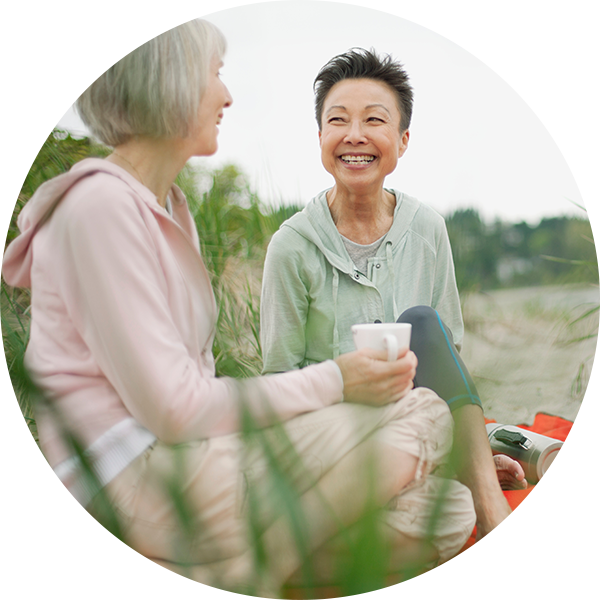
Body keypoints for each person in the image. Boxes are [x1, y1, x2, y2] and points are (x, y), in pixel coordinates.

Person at [2, 21, 476, 595]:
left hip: (190, 459)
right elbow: (176, 410)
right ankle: (255, 572)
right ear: (167, 83)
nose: (226, 95)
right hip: (132, 480)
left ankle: (203, 570)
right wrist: (340, 381)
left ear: (403, 138)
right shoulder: (99, 210)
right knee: (423, 414)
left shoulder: (166, 208)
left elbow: (188, 398)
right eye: (214, 74)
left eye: (375, 119)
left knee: (447, 510)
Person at [260, 48, 526, 543]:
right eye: (338, 120)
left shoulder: (427, 229)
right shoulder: (291, 247)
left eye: (374, 120)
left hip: (417, 426)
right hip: (333, 439)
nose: (354, 135)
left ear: (402, 142)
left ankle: (477, 495)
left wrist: (466, 445)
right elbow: (278, 381)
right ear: (320, 138)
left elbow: (448, 357)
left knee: (424, 323)